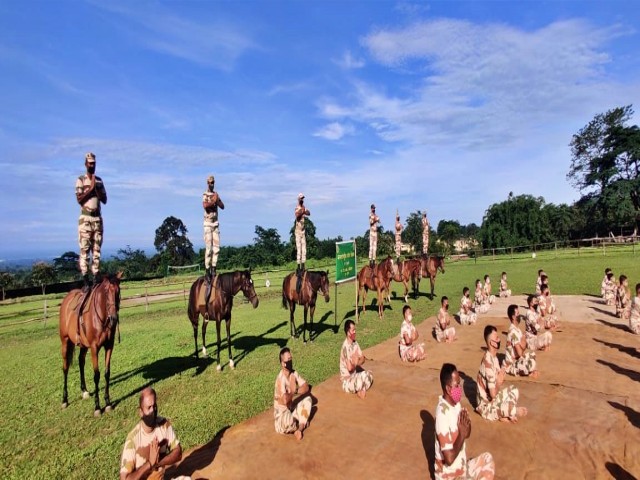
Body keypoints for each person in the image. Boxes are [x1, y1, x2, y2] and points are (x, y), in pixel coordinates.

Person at [434, 363, 495, 480]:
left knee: (487, 459)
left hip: (461, 469)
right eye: (457, 385)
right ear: (448, 388)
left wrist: (467, 425)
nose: (460, 389)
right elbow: (449, 459)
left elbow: (467, 433)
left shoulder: (456, 405)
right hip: (450, 476)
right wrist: (461, 434)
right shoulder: (442, 415)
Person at [120, 387, 183, 480]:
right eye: (149, 407)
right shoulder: (133, 439)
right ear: (141, 412)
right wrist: (149, 463)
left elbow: (178, 453)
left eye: (154, 406)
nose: (152, 411)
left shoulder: (164, 425)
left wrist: (157, 462)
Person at [476, 325, 527, 423]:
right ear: (492, 343)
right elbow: (493, 394)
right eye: (497, 338)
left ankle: (505, 412)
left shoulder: (494, 358)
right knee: (512, 409)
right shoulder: (488, 362)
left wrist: (500, 379)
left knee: (514, 390)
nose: (499, 340)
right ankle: (510, 411)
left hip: (493, 399)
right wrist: (499, 381)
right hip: (486, 406)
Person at [76, 152, 107, 291]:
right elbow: (79, 199)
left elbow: (105, 200)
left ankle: (96, 276)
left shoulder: (99, 180)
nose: (92, 166)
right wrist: (91, 189)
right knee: (85, 249)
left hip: (97, 217)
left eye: (94, 163)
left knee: (97, 249)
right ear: (85, 164)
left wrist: (97, 189)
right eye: (90, 163)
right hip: (85, 218)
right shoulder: (81, 180)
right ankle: (85, 279)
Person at [273, 347, 312, 440]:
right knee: (289, 421)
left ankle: (299, 429)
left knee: (308, 400)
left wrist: (296, 391)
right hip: (281, 417)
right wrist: (292, 390)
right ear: (283, 363)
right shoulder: (280, 379)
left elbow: (306, 386)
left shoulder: (293, 373)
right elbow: (285, 400)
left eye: (291, 359)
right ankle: (300, 422)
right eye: (288, 360)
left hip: (290, 411)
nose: (291, 361)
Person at [340, 319, 373, 399]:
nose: (355, 332)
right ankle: (360, 388)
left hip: (355, 376)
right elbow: (350, 368)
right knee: (359, 382)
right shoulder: (345, 347)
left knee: (369, 374)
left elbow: (363, 358)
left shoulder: (355, 343)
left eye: (355, 330)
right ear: (348, 333)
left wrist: (356, 362)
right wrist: (355, 362)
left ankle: (361, 388)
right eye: (353, 330)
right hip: (347, 380)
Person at [504, 304, 539, 378]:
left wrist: (523, 342)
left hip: (518, 358)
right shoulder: (513, 332)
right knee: (531, 363)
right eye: (518, 314)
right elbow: (520, 352)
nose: (519, 316)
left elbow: (523, 346)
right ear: (513, 317)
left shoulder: (518, 330)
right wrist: (523, 339)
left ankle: (528, 370)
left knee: (532, 354)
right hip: (512, 364)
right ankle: (526, 372)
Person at [202, 175, 225, 281]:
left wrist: (217, 200)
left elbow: (222, 206)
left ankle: (214, 268)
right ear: (207, 183)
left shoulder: (216, 194)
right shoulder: (205, 194)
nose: (212, 184)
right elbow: (205, 206)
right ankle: (207, 270)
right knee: (209, 249)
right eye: (210, 182)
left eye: (213, 182)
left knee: (216, 248)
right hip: (207, 224)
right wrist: (213, 201)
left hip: (215, 224)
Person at [294, 193, 311, 275]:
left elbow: (309, 213)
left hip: (303, 231)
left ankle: (303, 266)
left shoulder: (303, 207)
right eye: (301, 198)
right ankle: (298, 267)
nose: (302, 199)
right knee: (299, 249)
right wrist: (302, 211)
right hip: (298, 232)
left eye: (303, 198)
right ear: (298, 199)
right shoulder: (297, 208)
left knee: (304, 249)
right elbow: (297, 216)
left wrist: (305, 211)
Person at [368, 204, 380, 268]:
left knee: (375, 247)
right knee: (371, 247)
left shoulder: (376, 215)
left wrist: (377, 219)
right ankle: (370, 260)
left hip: (375, 232)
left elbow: (379, 220)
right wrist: (375, 220)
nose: (374, 209)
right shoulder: (370, 215)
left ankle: (374, 260)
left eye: (374, 208)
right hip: (372, 232)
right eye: (373, 208)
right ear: (371, 208)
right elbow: (371, 222)